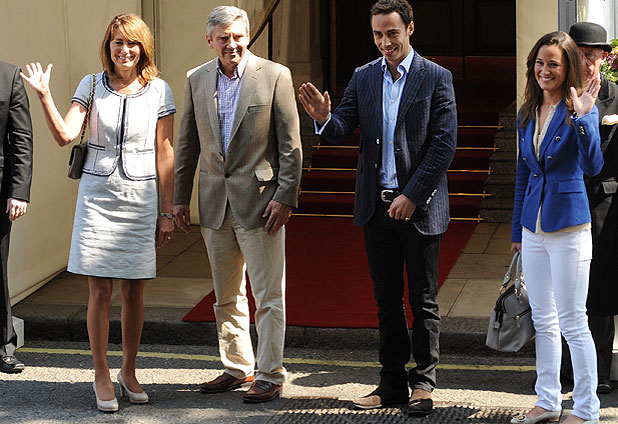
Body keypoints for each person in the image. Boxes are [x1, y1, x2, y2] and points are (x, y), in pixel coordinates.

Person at [298, 0, 456, 416]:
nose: (385, 42)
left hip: (420, 208)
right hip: (376, 207)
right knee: (386, 299)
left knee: (423, 300)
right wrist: (324, 118)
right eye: (378, 35)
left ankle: (423, 384)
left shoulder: (436, 77)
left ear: (410, 29)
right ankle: (391, 384)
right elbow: (341, 127)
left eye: (392, 33)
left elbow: (444, 144)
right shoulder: (364, 76)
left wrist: (412, 194)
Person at [21, 14, 176, 412]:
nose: (125, 50)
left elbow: (165, 153)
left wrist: (167, 211)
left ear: (144, 48)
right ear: (108, 47)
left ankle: (129, 370)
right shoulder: (90, 84)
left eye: (132, 43)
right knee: (100, 291)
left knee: (135, 291)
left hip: (140, 198)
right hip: (97, 198)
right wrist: (44, 95)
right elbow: (64, 135)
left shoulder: (160, 90)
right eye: (117, 42)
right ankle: (101, 374)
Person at [173, 6, 302, 404]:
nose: (232, 44)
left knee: (268, 297)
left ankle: (270, 373)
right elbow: (187, 144)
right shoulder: (196, 78)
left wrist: (285, 196)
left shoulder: (275, 75)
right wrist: (179, 199)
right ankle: (237, 367)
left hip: (262, 204)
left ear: (247, 37)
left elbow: (291, 145)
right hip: (214, 204)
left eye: (238, 36)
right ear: (209, 40)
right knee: (226, 296)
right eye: (223, 38)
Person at [510, 31, 603, 424]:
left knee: (573, 322)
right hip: (533, 229)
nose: (544, 70)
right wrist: (517, 233)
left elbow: (593, 166)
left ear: (567, 69)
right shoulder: (527, 111)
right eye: (540, 62)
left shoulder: (580, 108)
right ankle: (547, 402)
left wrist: (583, 118)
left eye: (553, 64)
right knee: (543, 320)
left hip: (569, 227)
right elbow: (522, 175)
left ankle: (586, 409)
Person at [559, 21, 618, 395]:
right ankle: (564, 370)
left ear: (604, 58)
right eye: (578, 54)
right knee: (565, 288)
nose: (585, 62)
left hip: (604, 207)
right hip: (564, 203)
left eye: (591, 55)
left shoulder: (616, 97)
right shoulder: (556, 94)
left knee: (600, 290)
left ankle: (598, 372)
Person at [0, 61, 33, 374]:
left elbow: (21, 138)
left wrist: (18, 192)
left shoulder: (8, 76)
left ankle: (3, 346)